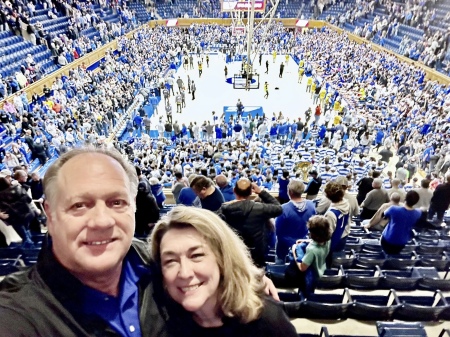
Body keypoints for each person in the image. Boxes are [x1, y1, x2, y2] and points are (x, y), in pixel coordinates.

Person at [0, 147, 281, 336]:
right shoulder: (18, 314)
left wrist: (246, 279)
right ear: (49, 214)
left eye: (117, 202)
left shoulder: (163, 266)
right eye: (79, 206)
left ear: (133, 207)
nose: (102, 221)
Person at [150, 206, 297, 337]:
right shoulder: (161, 321)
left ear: (223, 259)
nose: (184, 273)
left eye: (196, 256)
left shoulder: (268, 322)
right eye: (170, 261)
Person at [218, 178, 282, 267]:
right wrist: (261, 192)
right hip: (256, 254)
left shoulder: (224, 209)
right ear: (251, 192)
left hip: (235, 252)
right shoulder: (259, 208)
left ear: (234, 191)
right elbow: (279, 208)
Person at [284, 215, 331, 295]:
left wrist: (294, 250)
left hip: (310, 275)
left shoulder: (311, 250)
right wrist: (305, 241)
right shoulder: (328, 240)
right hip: (320, 269)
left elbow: (302, 267)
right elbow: (319, 241)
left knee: (305, 293)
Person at [275, 180, 316, 262]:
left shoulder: (283, 209)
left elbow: (277, 230)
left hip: (284, 248)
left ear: (290, 192)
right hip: (302, 244)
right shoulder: (311, 205)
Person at [381, 190, 422, 255]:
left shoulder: (394, 209)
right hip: (402, 241)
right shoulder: (418, 213)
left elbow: (383, 215)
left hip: (388, 239)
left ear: (405, 198)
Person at [323, 182, 350, 265]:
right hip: (343, 235)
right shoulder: (346, 203)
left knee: (329, 262)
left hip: (333, 241)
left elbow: (328, 233)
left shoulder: (330, 214)